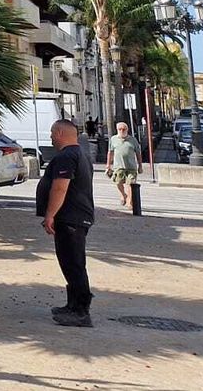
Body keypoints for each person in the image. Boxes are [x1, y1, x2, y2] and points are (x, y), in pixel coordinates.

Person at [38, 119, 94, 327]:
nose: (50, 137)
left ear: (61, 133)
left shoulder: (67, 156)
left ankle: (81, 311)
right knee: (69, 262)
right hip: (75, 217)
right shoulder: (80, 154)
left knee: (74, 263)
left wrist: (50, 214)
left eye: (52, 133)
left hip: (72, 218)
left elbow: (60, 187)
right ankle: (72, 304)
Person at [105, 121, 141, 209]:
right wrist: (108, 165)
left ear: (127, 130)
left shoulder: (133, 140)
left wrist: (140, 165)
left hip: (131, 167)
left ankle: (129, 202)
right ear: (117, 130)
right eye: (120, 129)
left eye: (124, 129)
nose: (122, 131)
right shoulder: (113, 139)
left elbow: (138, 153)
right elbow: (110, 152)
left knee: (130, 184)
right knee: (118, 182)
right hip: (118, 166)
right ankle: (123, 195)